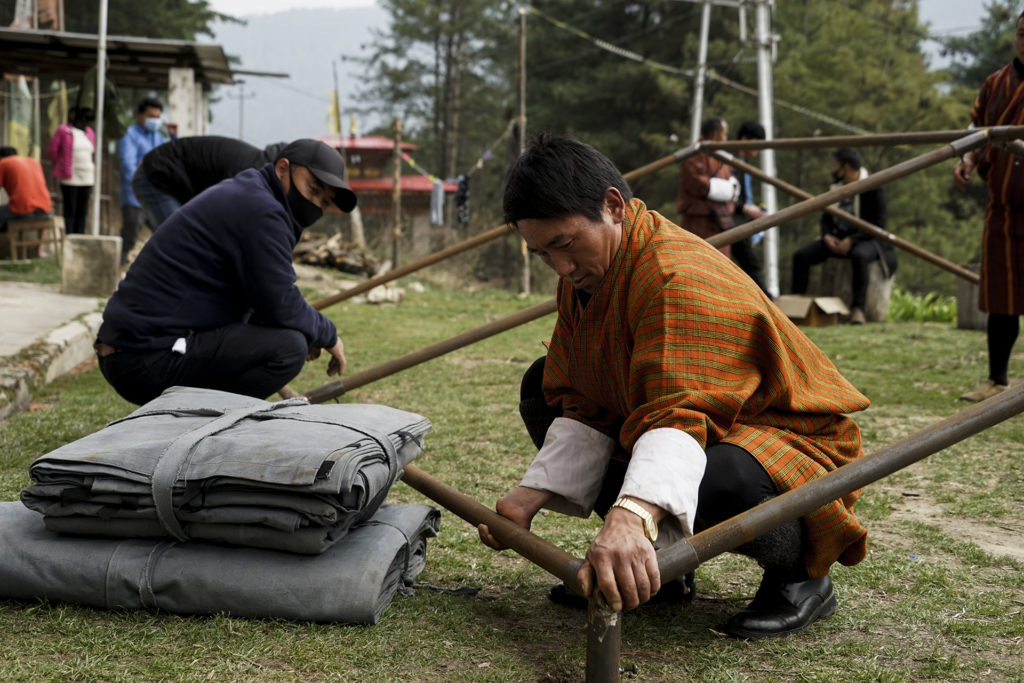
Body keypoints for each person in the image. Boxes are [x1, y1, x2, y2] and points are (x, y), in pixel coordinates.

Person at [479, 133, 870, 640]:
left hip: (787, 439)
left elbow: (679, 413)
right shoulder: (587, 275)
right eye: (543, 254)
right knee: (543, 385)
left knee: (720, 473)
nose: (562, 267)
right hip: (692, 420)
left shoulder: (674, 275)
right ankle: (657, 570)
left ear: (613, 206)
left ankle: (801, 578)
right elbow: (585, 397)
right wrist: (528, 497)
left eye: (565, 244)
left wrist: (630, 518)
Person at [94, 138, 358, 406]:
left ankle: (195, 422)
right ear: (282, 169)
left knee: (287, 335)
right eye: (312, 189)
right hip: (143, 357)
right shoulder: (262, 210)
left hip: (129, 350)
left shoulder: (253, 193)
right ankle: (196, 428)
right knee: (288, 349)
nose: (314, 204)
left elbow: (264, 302)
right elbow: (281, 303)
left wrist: (306, 327)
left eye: (323, 202)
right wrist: (328, 334)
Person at [952, 10, 1024, 402]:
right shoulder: (996, 83)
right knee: (1003, 298)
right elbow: (975, 132)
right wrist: (964, 159)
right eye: (1021, 33)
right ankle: (996, 380)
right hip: (1004, 207)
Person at [790, 148, 897, 325]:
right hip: (837, 238)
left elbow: (878, 225)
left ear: (846, 167)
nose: (833, 170)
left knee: (859, 256)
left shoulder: (873, 188)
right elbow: (826, 218)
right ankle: (794, 306)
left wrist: (852, 240)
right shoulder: (835, 188)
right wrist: (826, 236)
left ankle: (858, 310)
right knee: (801, 257)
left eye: (835, 165)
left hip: (867, 239)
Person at [132, 136, 288, 229]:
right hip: (156, 177)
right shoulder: (250, 175)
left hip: (173, 181)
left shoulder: (259, 169)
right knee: (183, 245)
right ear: (282, 167)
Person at [119, 97, 174, 264]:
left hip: (156, 196)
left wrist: (174, 137)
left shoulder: (159, 137)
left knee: (167, 233)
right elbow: (128, 166)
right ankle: (116, 268)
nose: (154, 121)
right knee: (130, 235)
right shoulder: (129, 136)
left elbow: (171, 159)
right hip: (134, 197)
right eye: (151, 116)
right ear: (140, 115)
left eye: (158, 117)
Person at [675, 117, 738, 258]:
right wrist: (725, 190)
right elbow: (697, 182)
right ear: (716, 134)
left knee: (720, 265)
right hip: (700, 219)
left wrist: (731, 189)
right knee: (698, 262)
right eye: (724, 134)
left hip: (720, 220)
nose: (725, 138)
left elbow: (731, 178)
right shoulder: (696, 153)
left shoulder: (721, 155)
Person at [729, 120, 770, 295]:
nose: (758, 149)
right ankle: (768, 302)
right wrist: (745, 208)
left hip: (742, 221)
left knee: (749, 265)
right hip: (732, 222)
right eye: (757, 142)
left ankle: (765, 301)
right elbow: (726, 195)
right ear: (745, 139)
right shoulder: (730, 161)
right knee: (750, 265)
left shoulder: (743, 162)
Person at [47, 106, 96, 235]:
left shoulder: (89, 132)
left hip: (87, 177)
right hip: (70, 177)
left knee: (82, 209)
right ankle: (69, 236)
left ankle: (80, 237)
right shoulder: (63, 130)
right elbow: (53, 151)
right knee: (70, 209)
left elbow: (92, 152)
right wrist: (61, 165)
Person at [0, 146, 53, 234]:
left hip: (22, 211)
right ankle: (40, 248)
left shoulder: (3, 163)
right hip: (46, 210)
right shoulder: (33, 161)